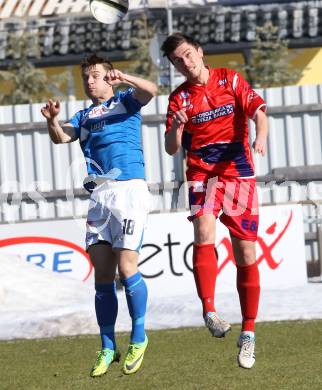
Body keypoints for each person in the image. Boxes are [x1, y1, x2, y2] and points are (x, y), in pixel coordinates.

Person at [41, 54, 157, 377]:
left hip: (129, 190)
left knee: (126, 266)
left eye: (95, 76)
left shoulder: (125, 101)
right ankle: (108, 346)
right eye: (86, 78)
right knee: (102, 275)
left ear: (108, 77)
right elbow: (61, 136)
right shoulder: (84, 116)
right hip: (99, 196)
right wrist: (52, 120)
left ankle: (139, 336)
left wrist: (127, 78)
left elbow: (151, 91)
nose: (89, 82)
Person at [161, 33, 268, 369]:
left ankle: (248, 333)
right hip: (202, 174)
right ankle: (209, 310)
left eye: (188, 55)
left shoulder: (229, 78)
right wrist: (176, 130)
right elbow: (170, 148)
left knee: (246, 252)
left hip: (238, 171)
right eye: (178, 60)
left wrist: (260, 135)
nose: (185, 63)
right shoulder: (178, 99)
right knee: (204, 232)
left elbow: (260, 112)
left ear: (200, 52)